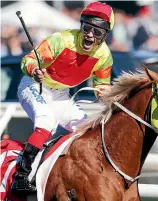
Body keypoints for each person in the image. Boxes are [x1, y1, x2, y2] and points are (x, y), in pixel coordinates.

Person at [11, 2, 114, 194]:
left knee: (86, 130)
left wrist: (110, 97)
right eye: (87, 27)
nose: (90, 34)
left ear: (105, 35)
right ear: (81, 25)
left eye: (98, 32)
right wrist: (34, 71)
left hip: (61, 95)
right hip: (35, 86)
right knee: (46, 122)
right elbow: (29, 60)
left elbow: (102, 86)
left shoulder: (104, 57)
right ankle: (21, 176)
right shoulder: (61, 39)